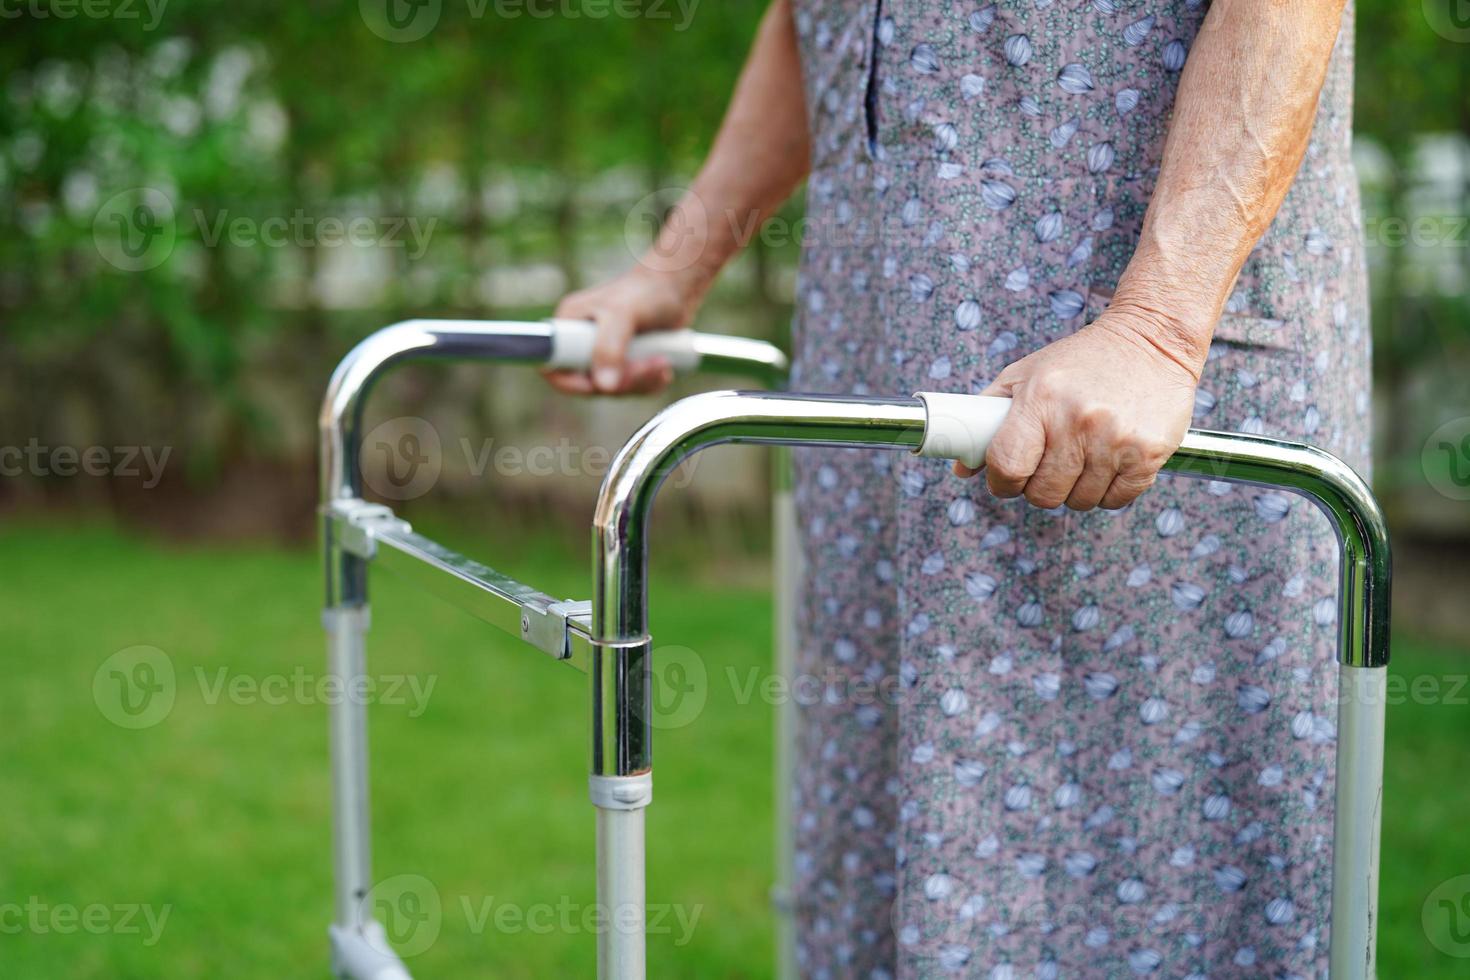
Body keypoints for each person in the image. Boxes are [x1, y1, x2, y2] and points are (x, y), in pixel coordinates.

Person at [548, 1, 1368, 975]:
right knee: (884, 861)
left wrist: (1157, 326)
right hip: (882, 417)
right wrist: (675, 267)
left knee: (1155, 891)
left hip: (1138, 404)